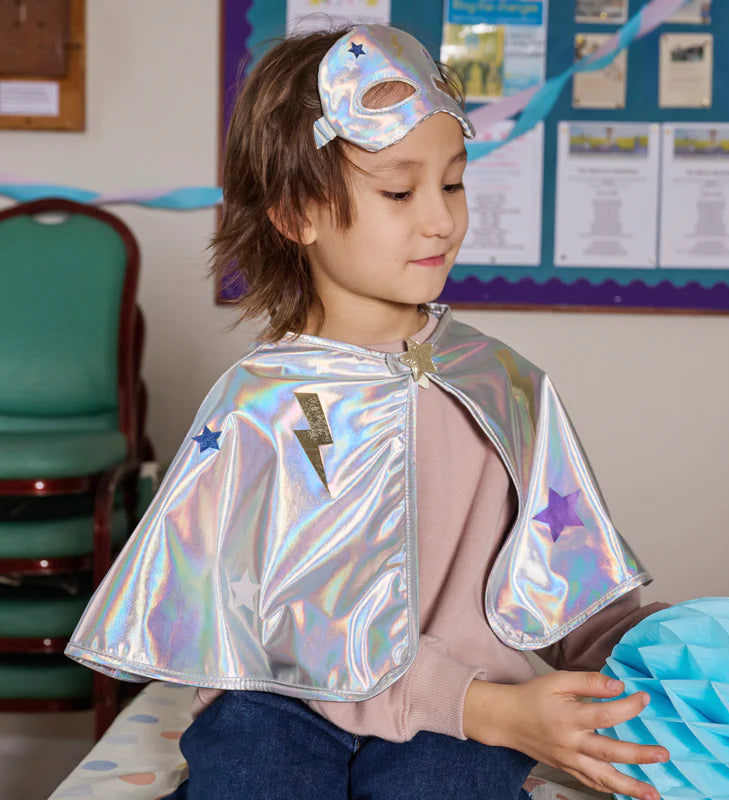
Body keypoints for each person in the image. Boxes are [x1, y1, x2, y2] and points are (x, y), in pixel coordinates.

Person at [66, 24, 671, 800]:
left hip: (464, 712)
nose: (440, 220)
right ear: (297, 214)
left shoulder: (502, 385)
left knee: (446, 788)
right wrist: (482, 706)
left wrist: (669, 659)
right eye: (398, 191)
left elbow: (574, 590)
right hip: (282, 700)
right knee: (253, 775)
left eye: (453, 184)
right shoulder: (262, 409)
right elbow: (294, 626)